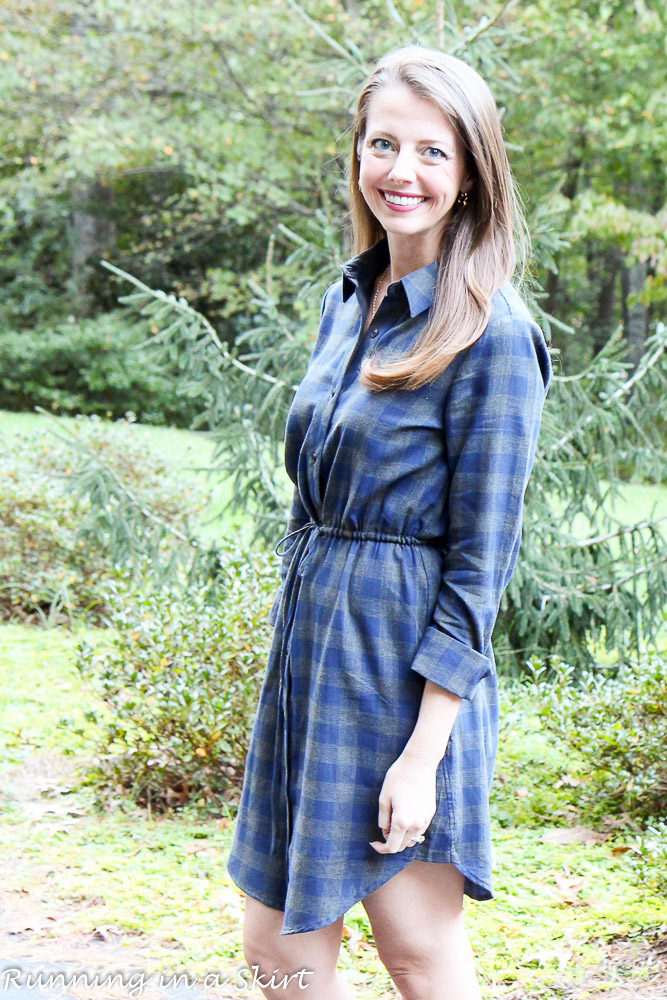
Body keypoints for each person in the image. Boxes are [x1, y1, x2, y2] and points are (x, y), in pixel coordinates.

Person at [227, 44, 553, 1000]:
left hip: (403, 680)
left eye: (432, 153)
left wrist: (424, 752)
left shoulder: (490, 334)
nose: (400, 172)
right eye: (382, 145)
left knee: (415, 952)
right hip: (311, 659)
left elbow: (480, 565)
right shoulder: (349, 301)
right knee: (278, 952)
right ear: (357, 154)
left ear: (470, 175)